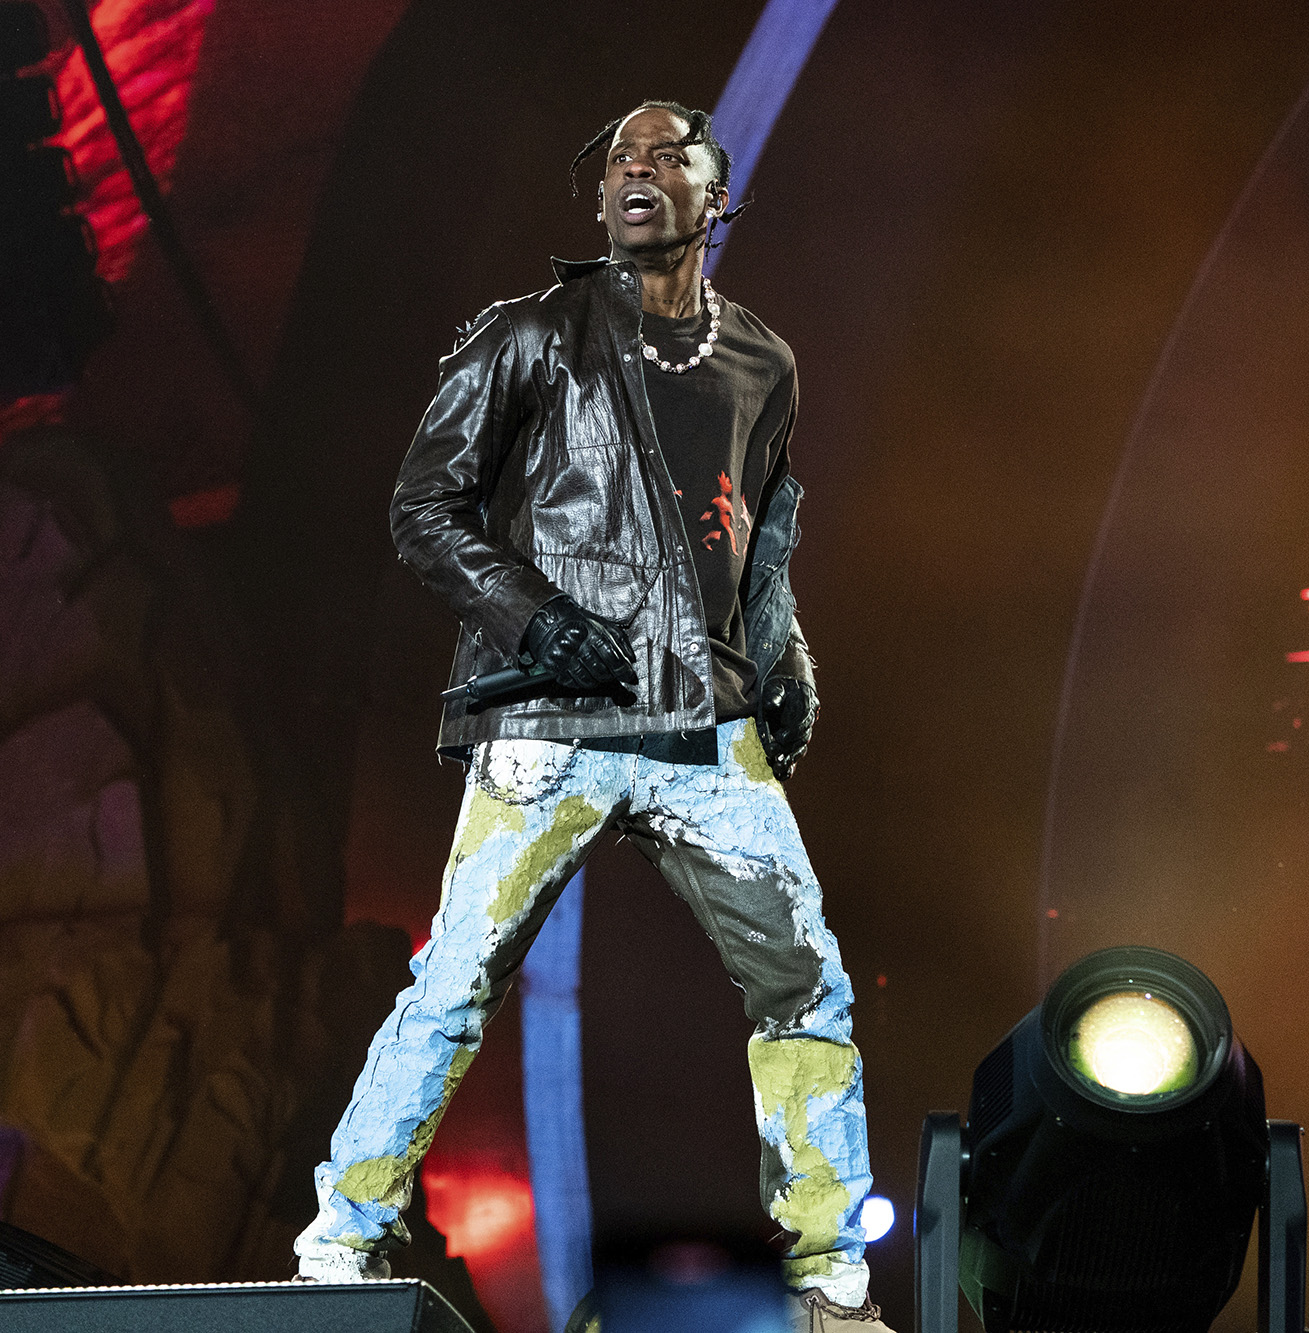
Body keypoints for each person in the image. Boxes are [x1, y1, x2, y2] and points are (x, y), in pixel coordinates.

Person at [294, 101, 883, 1330]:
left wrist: (785, 664)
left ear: (716, 196)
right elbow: (424, 507)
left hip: (703, 728)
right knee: (454, 978)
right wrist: (529, 619)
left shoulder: (759, 360)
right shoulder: (528, 338)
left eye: (666, 155)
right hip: (551, 722)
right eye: (618, 158)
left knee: (805, 984)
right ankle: (338, 1241)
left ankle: (829, 1280)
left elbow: (757, 537)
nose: (636, 170)